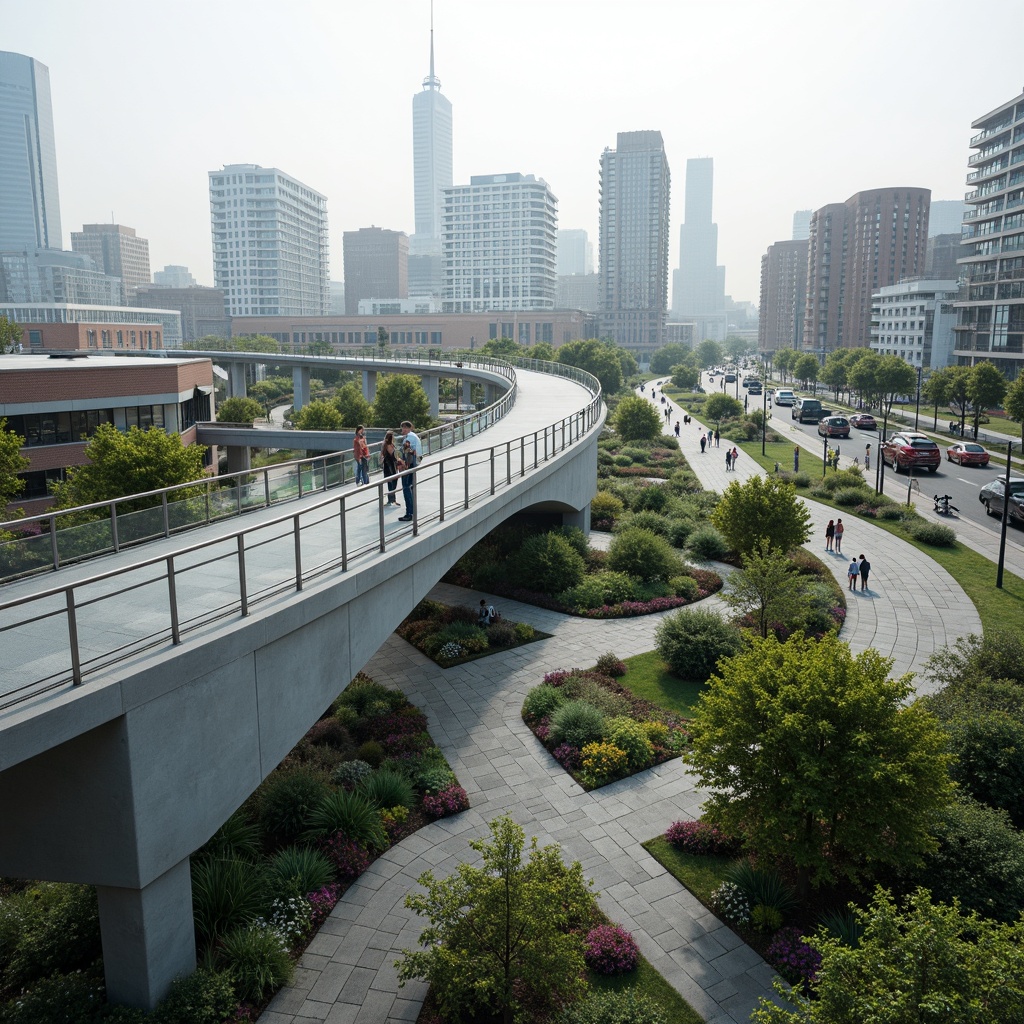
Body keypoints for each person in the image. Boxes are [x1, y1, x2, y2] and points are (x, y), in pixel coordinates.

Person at [397, 420, 421, 522]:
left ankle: (409, 513)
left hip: (408, 466)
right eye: (403, 427)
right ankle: (412, 511)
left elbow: (408, 454)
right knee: (410, 488)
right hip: (413, 465)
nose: (403, 429)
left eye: (405, 428)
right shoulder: (413, 436)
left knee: (406, 488)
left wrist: (403, 466)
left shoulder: (409, 438)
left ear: (409, 428)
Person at [381, 430, 399, 505]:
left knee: (390, 482)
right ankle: (392, 499)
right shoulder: (389, 445)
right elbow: (393, 455)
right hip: (391, 466)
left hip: (387, 465)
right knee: (393, 482)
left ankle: (391, 499)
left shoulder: (384, 444)